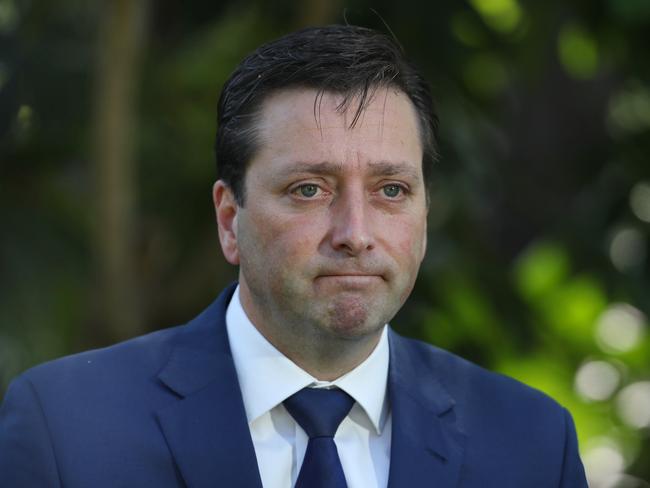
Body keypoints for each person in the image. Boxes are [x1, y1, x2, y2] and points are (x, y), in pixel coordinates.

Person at [0, 25, 587, 487]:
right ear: (231, 221)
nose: (356, 234)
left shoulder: (531, 442)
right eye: (310, 189)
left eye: (391, 191)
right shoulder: (66, 429)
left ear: (425, 216)